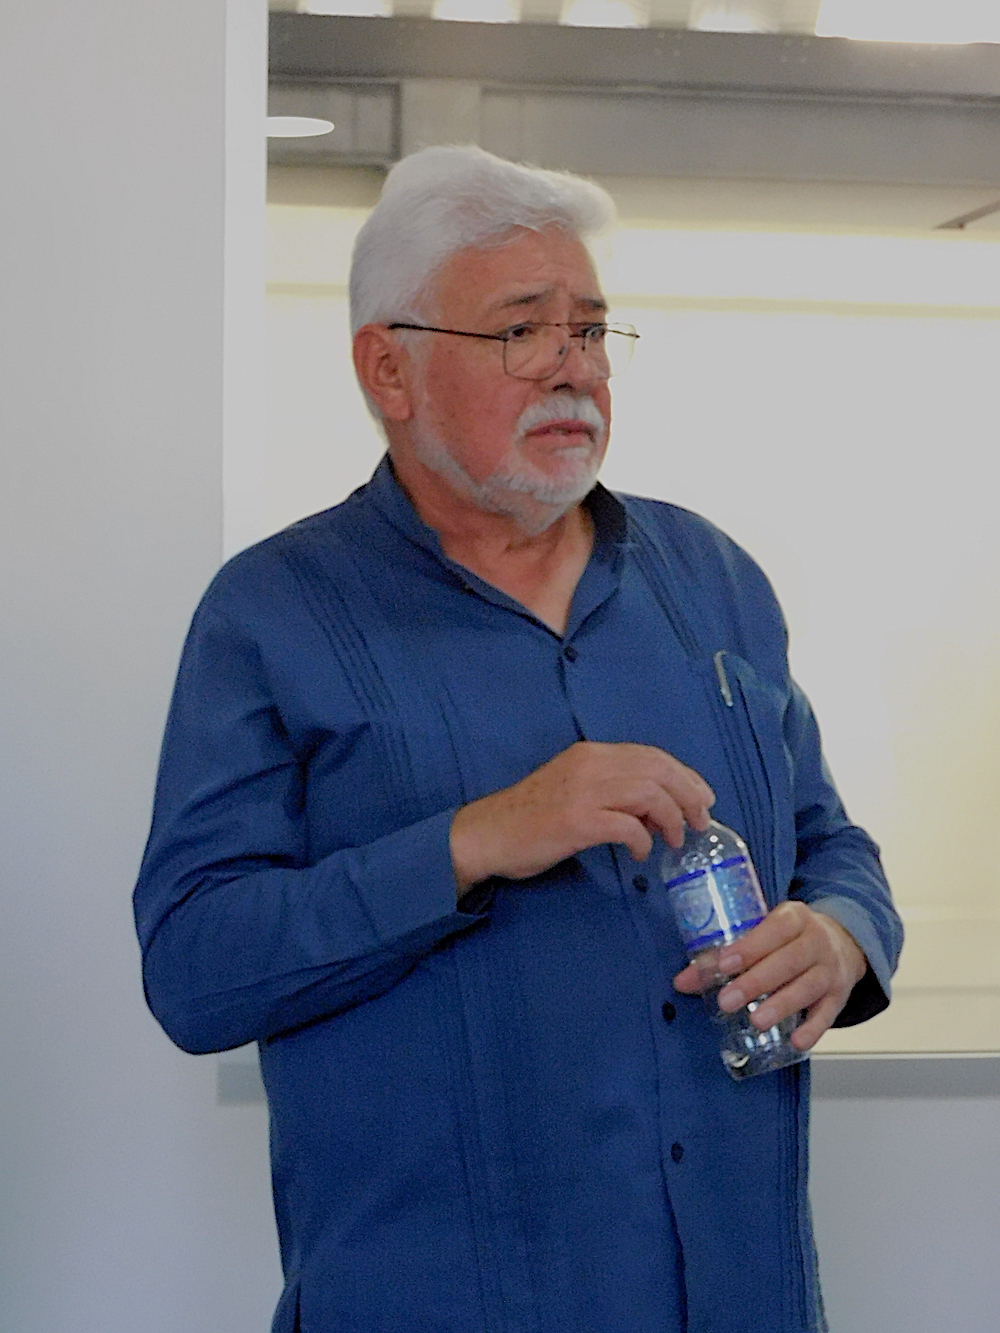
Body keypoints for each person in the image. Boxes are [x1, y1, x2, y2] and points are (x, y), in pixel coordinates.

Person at [134, 146, 902, 1333]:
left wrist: (842, 936)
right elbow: (195, 969)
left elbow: (831, 843)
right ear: (387, 367)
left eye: (589, 330)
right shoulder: (271, 615)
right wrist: (476, 840)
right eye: (520, 331)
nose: (572, 368)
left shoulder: (711, 579)